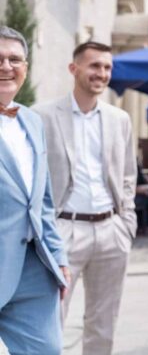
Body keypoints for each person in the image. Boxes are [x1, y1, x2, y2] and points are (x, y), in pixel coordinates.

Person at [35, 41, 136, 355]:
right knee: (50, 319)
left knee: (103, 323)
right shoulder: (43, 116)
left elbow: (128, 176)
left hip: (111, 230)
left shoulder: (120, 119)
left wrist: (126, 223)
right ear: (74, 68)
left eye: (107, 68)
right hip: (63, 230)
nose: (102, 74)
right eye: (94, 66)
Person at [0, 26, 69, 353]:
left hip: (35, 268)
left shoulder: (32, 121)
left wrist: (58, 256)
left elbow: (42, 202)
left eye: (15, 59)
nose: (6, 67)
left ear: (26, 68)